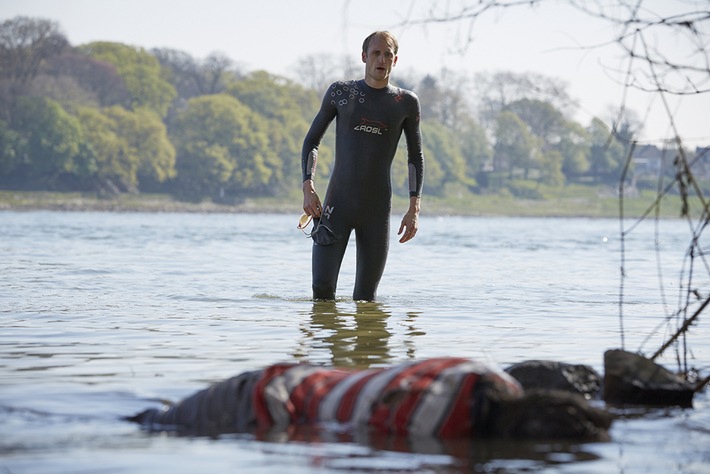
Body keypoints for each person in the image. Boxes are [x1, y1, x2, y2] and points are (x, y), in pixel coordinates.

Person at [129, 357, 612, 440]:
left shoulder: (487, 377)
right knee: (150, 426)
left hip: (288, 381)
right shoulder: (437, 424)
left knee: (149, 421)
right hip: (262, 401)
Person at [301, 31, 425, 301]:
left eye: (388, 54)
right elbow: (312, 141)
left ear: (395, 60)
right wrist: (308, 187)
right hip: (337, 207)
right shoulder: (341, 93)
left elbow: (415, 156)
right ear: (364, 57)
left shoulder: (405, 103)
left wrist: (414, 208)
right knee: (321, 293)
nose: (381, 59)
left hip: (376, 211)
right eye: (376, 53)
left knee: (365, 299)